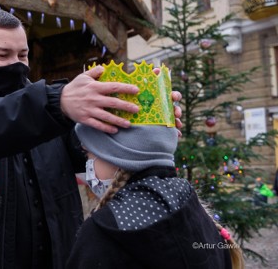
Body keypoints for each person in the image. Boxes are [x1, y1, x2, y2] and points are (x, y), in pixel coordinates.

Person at [0, 9, 182, 268]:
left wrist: (143, 118)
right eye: (3, 54)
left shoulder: (49, 112)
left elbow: (97, 150)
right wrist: (57, 101)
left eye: (23, 55)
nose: (16, 65)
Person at [69, 101, 243, 268]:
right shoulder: (191, 206)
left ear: (115, 156)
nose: (88, 165)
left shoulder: (102, 232)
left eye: (88, 154)